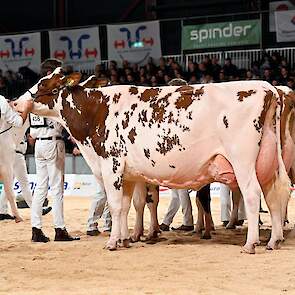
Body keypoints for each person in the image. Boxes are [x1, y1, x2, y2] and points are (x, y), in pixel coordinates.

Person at [29, 58, 79, 243]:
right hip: (52, 141)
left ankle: (36, 229)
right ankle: (59, 229)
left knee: (41, 187)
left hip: (39, 143)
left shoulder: (34, 93)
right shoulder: (52, 93)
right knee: (57, 188)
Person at [159, 78, 194, 232]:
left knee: (181, 190)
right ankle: (166, 222)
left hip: (181, 153)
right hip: (178, 152)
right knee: (176, 192)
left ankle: (188, 222)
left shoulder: (181, 108)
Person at [0, 134, 52, 220]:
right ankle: (36, 210)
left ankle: (2, 211)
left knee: (8, 184)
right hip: (16, 155)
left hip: (10, 154)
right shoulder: (15, 125)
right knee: (24, 184)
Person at [0, 95, 33, 220]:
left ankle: (8, 211)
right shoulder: (3, 102)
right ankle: (17, 212)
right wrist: (26, 110)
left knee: (10, 182)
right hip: (8, 150)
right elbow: (18, 122)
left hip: (13, 151)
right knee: (14, 181)